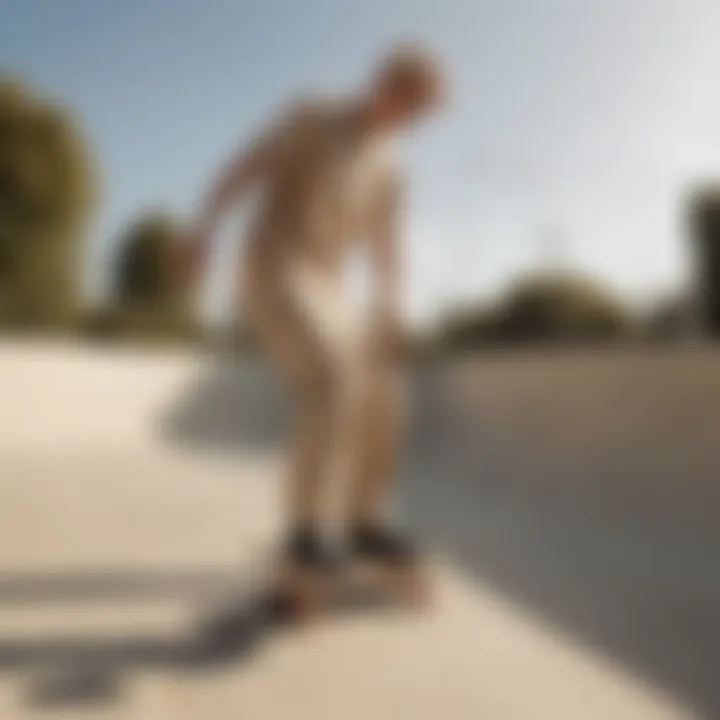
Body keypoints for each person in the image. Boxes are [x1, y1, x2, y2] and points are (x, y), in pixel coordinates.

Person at [182, 43, 445, 606]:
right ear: (381, 81)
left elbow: (386, 247)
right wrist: (203, 226)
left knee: (386, 393)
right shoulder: (312, 115)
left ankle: (364, 524)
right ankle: (304, 534)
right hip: (274, 267)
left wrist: (393, 305)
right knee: (332, 377)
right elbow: (246, 167)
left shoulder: (392, 164)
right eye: (400, 98)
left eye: (415, 113)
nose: (402, 116)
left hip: (329, 288)